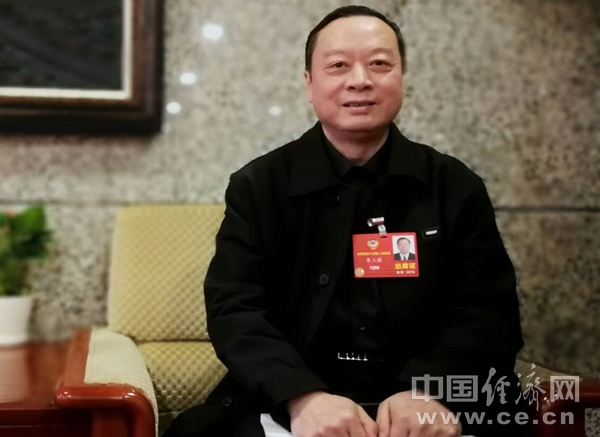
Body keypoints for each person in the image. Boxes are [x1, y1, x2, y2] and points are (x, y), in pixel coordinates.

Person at [166, 5, 528, 437]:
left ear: (402, 77)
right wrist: (302, 397)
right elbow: (235, 310)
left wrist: (429, 392)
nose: (360, 80)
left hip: (428, 405)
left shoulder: (454, 186)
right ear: (309, 83)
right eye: (338, 65)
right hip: (292, 403)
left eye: (380, 64)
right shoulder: (259, 186)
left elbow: (488, 312)